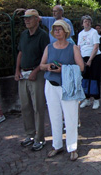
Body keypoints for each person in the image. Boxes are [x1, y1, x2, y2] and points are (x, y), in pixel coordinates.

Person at [40, 20, 84, 161]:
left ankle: (72, 147)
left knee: (70, 117)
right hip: (51, 86)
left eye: (59, 29)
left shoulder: (73, 48)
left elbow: (81, 67)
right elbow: (41, 65)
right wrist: (47, 67)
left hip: (67, 86)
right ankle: (57, 145)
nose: (57, 32)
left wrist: (63, 69)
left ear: (65, 31)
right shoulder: (49, 47)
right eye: (55, 29)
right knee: (54, 116)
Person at [15, 9, 50, 151]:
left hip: (37, 74)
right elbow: (20, 53)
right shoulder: (23, 35)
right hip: (23, 74)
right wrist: (17, 70)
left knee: (38, 107)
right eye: (25, 18)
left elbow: (46, 56)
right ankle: (29, 134)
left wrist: (36, 71)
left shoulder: (43, 36)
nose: (26, 20)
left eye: (29, 18)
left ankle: (40, 138)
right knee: (25, 106)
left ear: (37, 19)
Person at [78, 15, 101, 110]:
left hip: (94, 57)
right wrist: (80, 60)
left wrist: (90, 60)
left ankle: (96, 99)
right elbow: (79, 47)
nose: (87, 23)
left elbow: (96, 47)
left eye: (88, 21)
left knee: (94, 78)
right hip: (83, 57)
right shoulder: (80, 34)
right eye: (85, 21)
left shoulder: (94, 32)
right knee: (85, 78)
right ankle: (87, 98)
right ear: (82, 23)